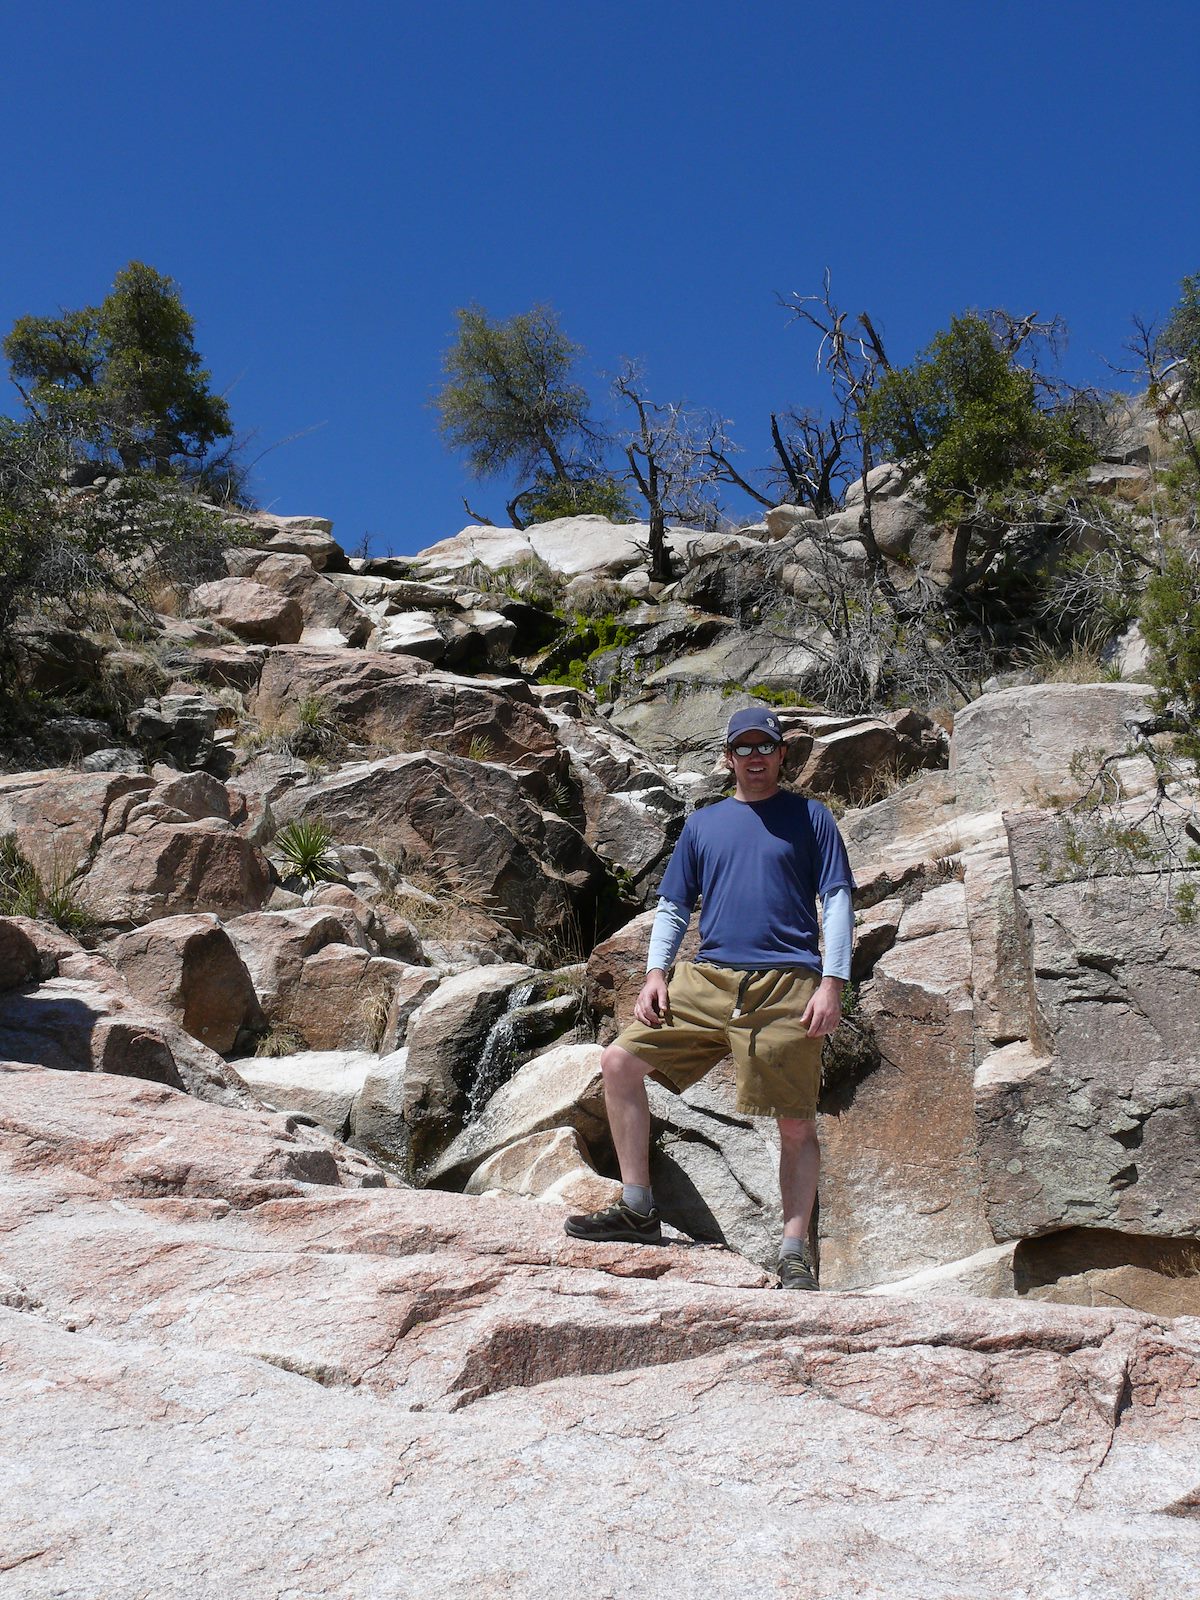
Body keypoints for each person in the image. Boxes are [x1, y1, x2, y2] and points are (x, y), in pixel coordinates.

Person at [564, 706, 855, 1290]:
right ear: (727, 759)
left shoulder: (812, 818)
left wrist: (832, 982)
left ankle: (794, 1251)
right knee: (620, 1062)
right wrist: (655, 973)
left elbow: (838, 899)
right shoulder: (703, 824)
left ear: (781, 755)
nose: (754, 758)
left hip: (788, 984)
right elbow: (674, 907)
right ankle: (639, 1207)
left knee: (796, 1126)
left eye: (764, 748)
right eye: (742, 749)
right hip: (709, 978)